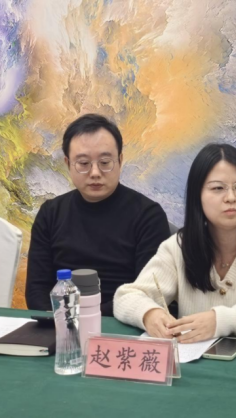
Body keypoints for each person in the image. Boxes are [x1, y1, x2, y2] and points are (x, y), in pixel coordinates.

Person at [114, 143, 236, 344]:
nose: (231, 197)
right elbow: (126, 297)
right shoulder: (178, 248)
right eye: (218, 188)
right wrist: (150, 314)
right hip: (194, 360)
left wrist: (223, 320)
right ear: (197, 196)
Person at [26, 114, 170, 316]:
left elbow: (147, 293)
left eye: (104, 162)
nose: (95, 172)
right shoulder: (50, 213)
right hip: (61, 325)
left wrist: (85, 318)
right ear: (68, 164)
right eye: (83, 163)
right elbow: (36, 291)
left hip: (122, 322)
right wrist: (62, 322)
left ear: (120, 161)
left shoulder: (148, 216)